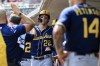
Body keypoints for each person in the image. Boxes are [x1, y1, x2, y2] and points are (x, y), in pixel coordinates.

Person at [53, 0, 100, 66]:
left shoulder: (70, 11)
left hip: (76, 58)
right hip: (94, 60)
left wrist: (60, 53)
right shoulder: (97, 13)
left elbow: (57, 32)